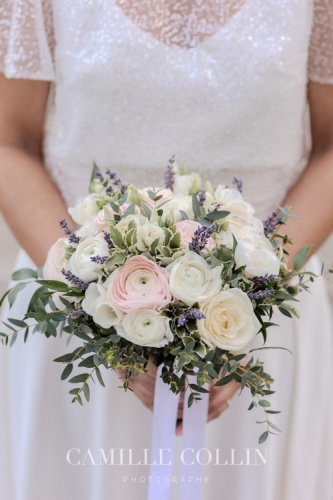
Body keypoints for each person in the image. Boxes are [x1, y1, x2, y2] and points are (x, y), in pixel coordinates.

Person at [0, 1, 332, 499]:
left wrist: (245, 306)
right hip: (76, 318)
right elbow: (9, 142)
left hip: (263, 323)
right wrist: (103, 311)